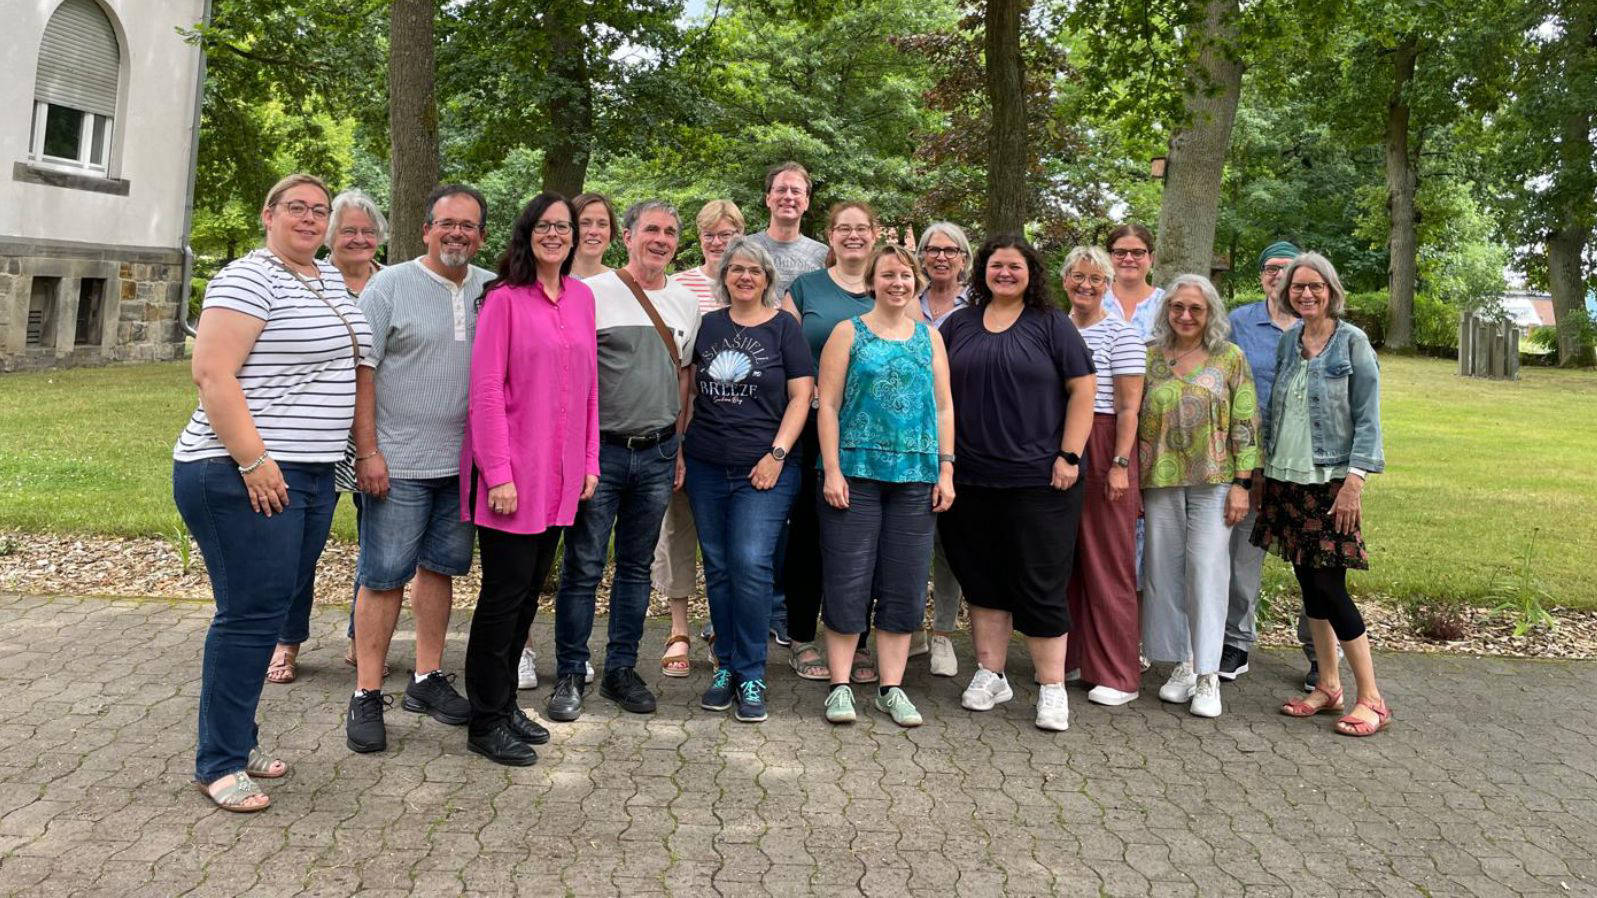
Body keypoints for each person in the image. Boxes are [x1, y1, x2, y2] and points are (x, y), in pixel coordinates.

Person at [173, 173, 371, 812]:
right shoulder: (247, 277)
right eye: (297, 208)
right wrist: (254, 460)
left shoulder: (326, 280)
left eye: (320, 210)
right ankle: (219, 761)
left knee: (267, 608)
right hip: (242, 472)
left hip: (310, 475)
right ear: (268, 214)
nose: (310, 219)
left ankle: (237, 737)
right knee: (249, 614)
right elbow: (213, 373)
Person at [343, 184, 492, 754]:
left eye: (468, 225)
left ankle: (427, 678)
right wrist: (367, 451)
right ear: (426, 229)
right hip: (397, 463)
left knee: (441, 570)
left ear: (481, 236)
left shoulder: (490, 290)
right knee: (383, 577)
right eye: (447, 223)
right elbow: (362, 370)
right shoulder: (388, 286)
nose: (457, 233)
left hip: (463, 464)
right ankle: (366, 692)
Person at [459, 193, 600, 765]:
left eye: (563, 227)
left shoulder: (582, 298)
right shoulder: (504, 300)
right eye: (544, 226)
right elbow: (486, 390)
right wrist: (497, 472)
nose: (554, 234)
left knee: (526, 600)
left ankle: (505, 705)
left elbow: (590, 390)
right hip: (513, 479)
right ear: (527, 233)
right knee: (503, 599)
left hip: (560, 478)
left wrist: (590, 462)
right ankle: (484, 720)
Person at [548, 200, 701, 722]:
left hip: (657, 453)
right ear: (628, 236)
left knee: (636, 568)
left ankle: (621, 670)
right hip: (602, 454)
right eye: (651, 229)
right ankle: (571, 671)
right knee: (584, 566)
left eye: (670, 232)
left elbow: (684, 378)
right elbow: (570, 376)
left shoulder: (685, 303)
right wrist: (576, 454)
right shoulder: (590, 293)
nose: (661, 239)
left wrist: (678, 445)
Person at [939, 235, 1096, 733]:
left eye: (1015, 266)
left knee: (1040, 580)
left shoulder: (1051, 324)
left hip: (1040, 479)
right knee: (983, 578)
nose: (1005, 273)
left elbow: (1083, 389)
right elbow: (938, 394)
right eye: (996, 265)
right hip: (972, 478)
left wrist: (1069, 455)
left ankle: (1051, 687)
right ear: (982, 271)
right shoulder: (958, 324)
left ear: (1031, 273)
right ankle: (992, 674)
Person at [815, 245, 955, 727]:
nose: (898, 283)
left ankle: (891, 688)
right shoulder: (846, 332)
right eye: (888, 275)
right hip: (855, 475)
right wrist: (832, 469)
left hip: (916, 478)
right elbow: (828, 405)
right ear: (872, 282)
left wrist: (946, 469)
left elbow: (944, 407)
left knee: (905, 584)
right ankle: (839, 685)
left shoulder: (930, 338)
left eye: (906, 275)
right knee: (848, 579)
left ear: (916, 281)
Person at [1258, 253, 1390, 736]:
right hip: (1287, 478)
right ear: (1287, 293)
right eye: (1298, 287)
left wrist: (1355, 481)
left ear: (1331, 291)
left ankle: (1372, 699)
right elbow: (1278, 410)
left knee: (1331, 588)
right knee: (1309, 585)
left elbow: (1369, 418)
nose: (1306, 294)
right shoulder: (1289, 342)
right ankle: (1329, 686)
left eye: (1315, 286)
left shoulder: (1352, 342)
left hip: (1332, 483)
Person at [683, 237, 813, 722]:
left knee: (751, 562)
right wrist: (679, 450)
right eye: (736, 269)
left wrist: (777, 454)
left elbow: (802, 396)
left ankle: (752, 672)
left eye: (754, 270)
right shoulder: (709, 325)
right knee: (718, 566)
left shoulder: (784, 328)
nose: (744, 277)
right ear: (724, 277)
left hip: (766, 467)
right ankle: (727, 665)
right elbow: (689, 391)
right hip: (706, 464)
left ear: (766, 279)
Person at [264, 188, 389, 684]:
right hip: (313, 434)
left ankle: (363, 637)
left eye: (368, 231)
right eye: (348, 230)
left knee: (376, 544)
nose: (358, 239)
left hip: (373, 435)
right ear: (330, 235)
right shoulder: (313, 281)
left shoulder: (392, 283)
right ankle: (286, 640)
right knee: (298, 547)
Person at [1138, 275, 1259, 719]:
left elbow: (1246, 423)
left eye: (1195, 308)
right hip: (1159, 479)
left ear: (1210, 313)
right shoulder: (1150, 355)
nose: (1185, 316)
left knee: (1207, 571)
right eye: (1177, 307)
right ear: (1166, 310)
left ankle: (1209, 675)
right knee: (1164, 573)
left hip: (1215, 480)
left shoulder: (1230, 357)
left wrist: (1243, 484)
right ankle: (1183, 664)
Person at [779, 201, 881, 684]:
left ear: (874, 234)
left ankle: (855, 639)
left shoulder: (888, 287)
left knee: (863, 540)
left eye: (862, 228)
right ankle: (801, 636)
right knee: (807, 535)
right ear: (831, 236)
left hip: (870, 434)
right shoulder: (805, 288)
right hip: (811, 428)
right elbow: (784, 351)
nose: (853, 235)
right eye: (844, 228)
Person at [654, 199, 748, 679]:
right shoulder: (680, 286)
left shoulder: (752, 284)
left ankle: (718, 627)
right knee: (677, 530)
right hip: (683, 425)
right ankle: (678, 628)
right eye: (710, 234)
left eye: (727, 233)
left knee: (727, 536)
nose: (718, 242)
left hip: (734, 434)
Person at [1224, 240, 1324, 689]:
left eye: (1288, 269)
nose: (1278, 276)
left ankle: (1320, 652)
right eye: (1270, 268)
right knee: (1242, 556)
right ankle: (1236, 641)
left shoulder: (1322, 326)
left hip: (1307, 464)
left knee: (1314, 561)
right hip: (1250, 461)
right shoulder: (1239, 323)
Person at [1060, 246, 1146, 707]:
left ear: (1108, 285)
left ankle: (1116, 672)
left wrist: (1119, 464)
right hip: (1061, 442)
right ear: (1065, 280)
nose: (1086, 285)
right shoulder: (1057, 327)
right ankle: (1074, 657)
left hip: (1104, 442)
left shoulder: (1122, 334)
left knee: (1107, 559)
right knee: (1067, 557)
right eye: (1078, 276)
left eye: (1096, 278)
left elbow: (1129, 407)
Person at [910, 221, 973, 677]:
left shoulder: (979, 308)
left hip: (962, 434)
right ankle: (908, 627)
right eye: (933, 250)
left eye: (951, 251)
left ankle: (944, 634)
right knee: (910, 537)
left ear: (964, 259)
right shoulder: (904, 301)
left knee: (951, 541)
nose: (941, 257)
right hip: (908, 435)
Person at [749, 161, 829, 297]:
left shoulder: (822, 255)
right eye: (781, 190)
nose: (788, 196)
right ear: (768, 199)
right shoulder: (745, 247)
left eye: (796, 191)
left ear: (806, 202)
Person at [1103, 223, 1163, 341]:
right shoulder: (1094, 298)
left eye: (1137, 253)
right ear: (1109, 257)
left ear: (1151, 258)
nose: (1128, 259)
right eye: (1120, 252)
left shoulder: (1167, 303)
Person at [571, 193, 621, 279]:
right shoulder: (551, 279)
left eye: (602, 224)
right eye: (585, 223)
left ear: (611, 230)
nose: (594, 231)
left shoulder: (621, 282)